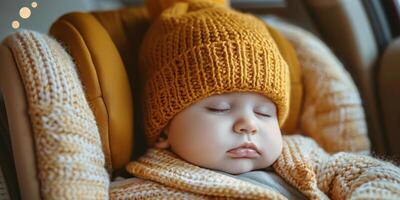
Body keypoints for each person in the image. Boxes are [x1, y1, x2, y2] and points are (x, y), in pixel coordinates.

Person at [110, 0, 400, 199]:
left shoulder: (302, 158)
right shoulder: (143, 188)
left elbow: (369, 174)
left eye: (264, 113)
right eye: (219, 107)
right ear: (163, 130)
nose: (248, 124)